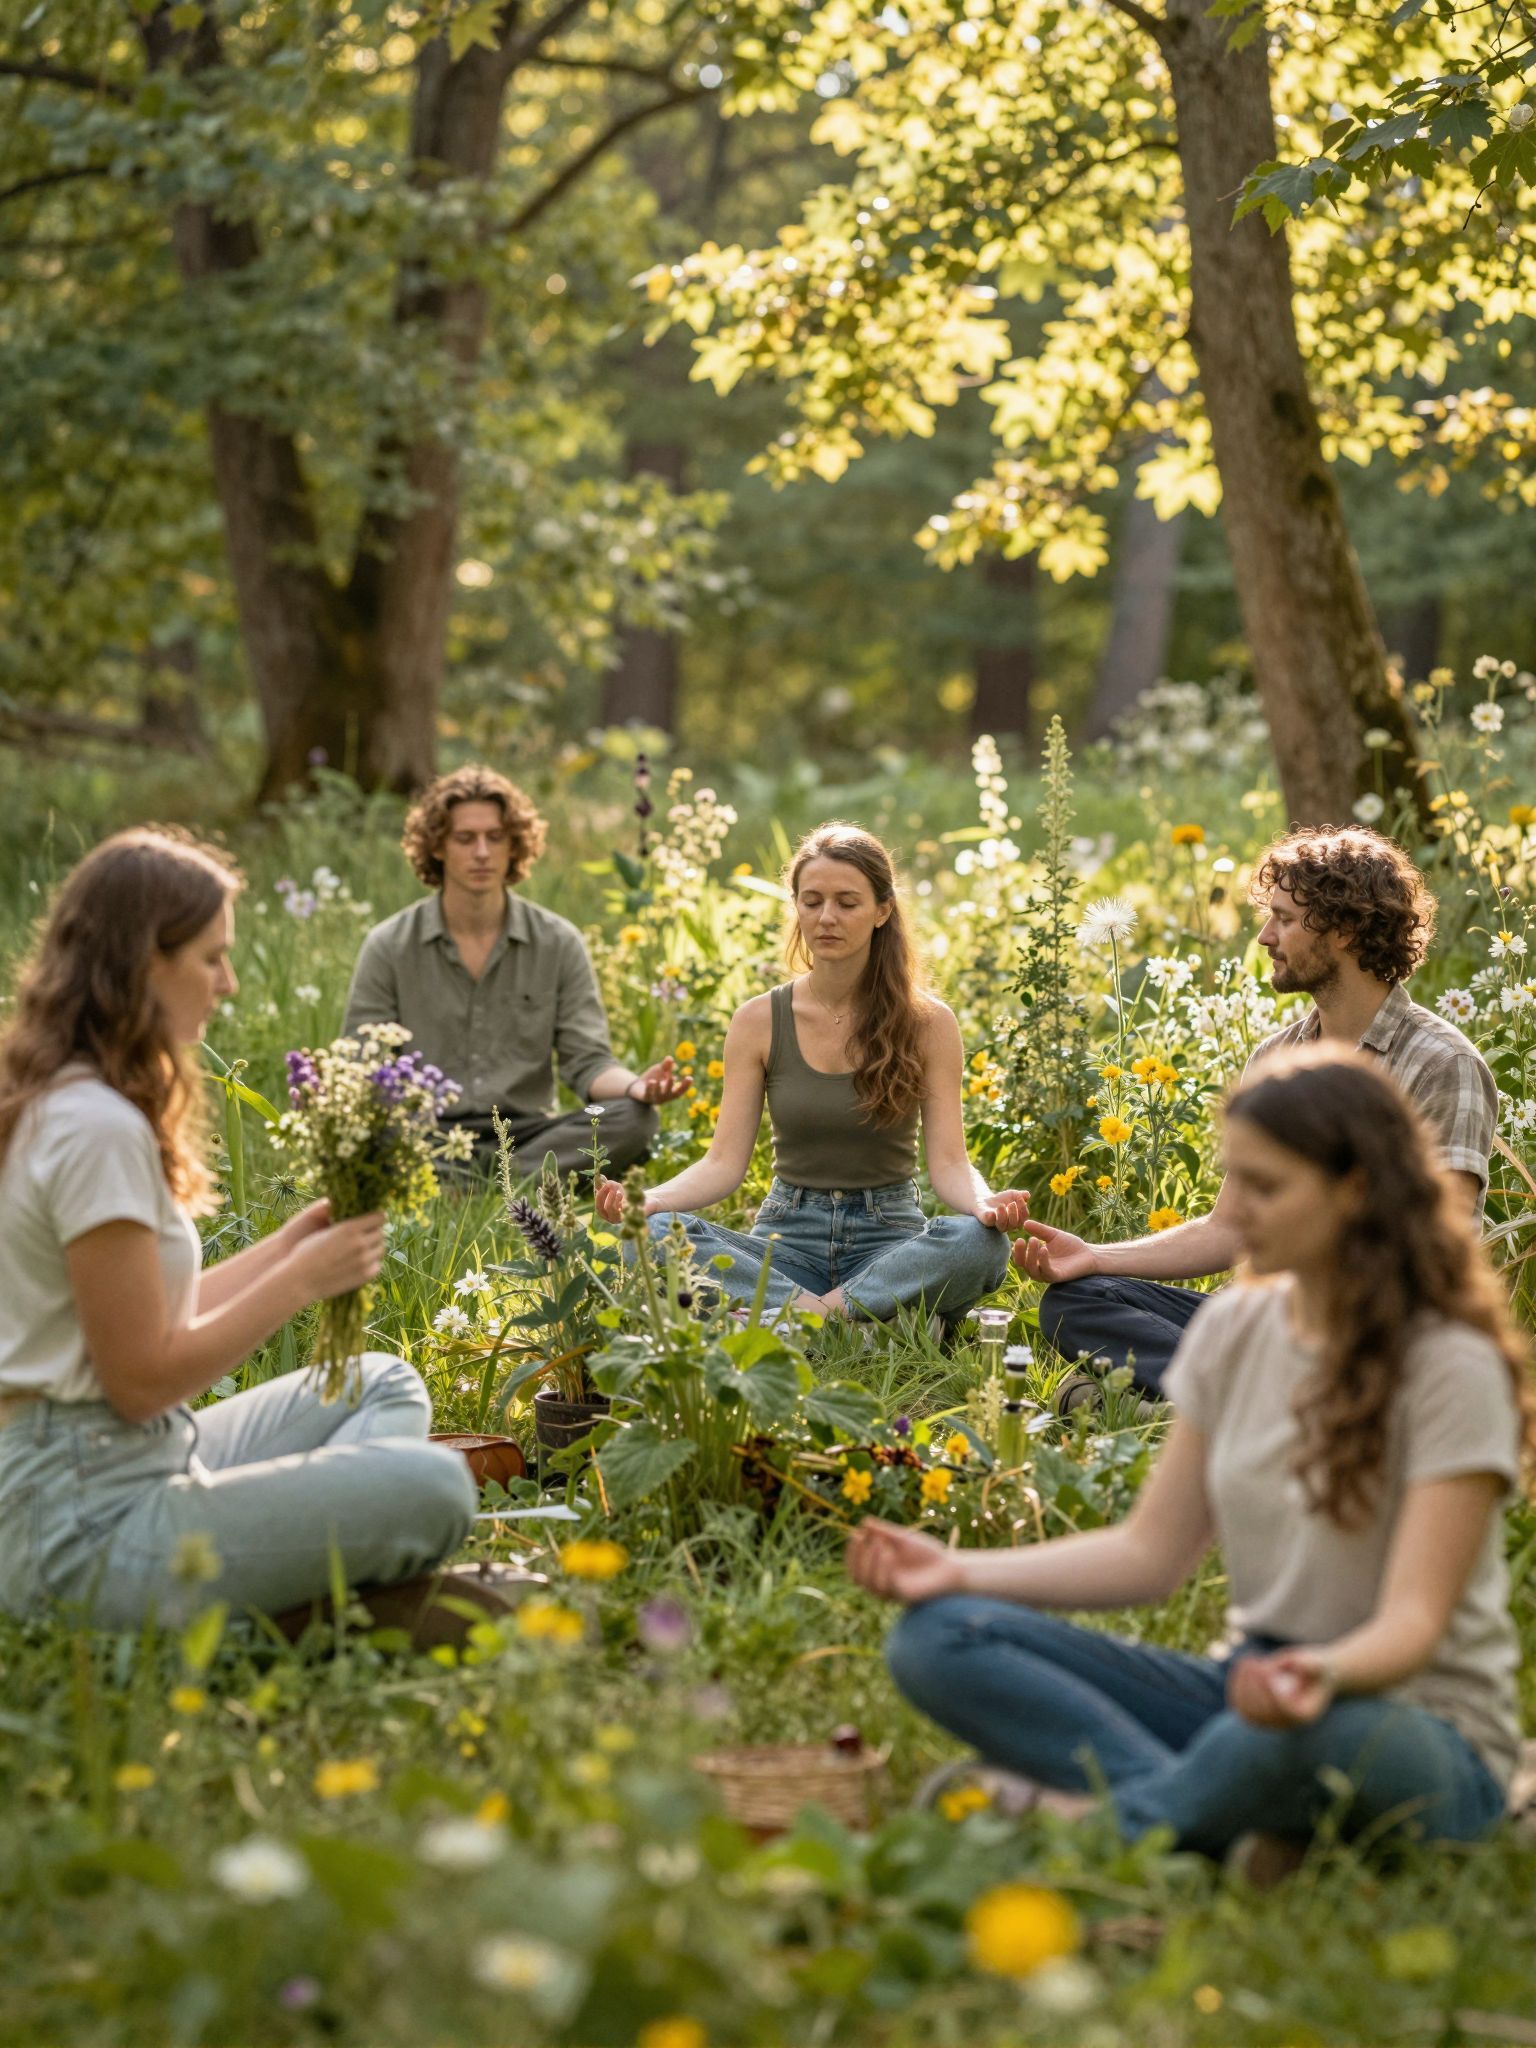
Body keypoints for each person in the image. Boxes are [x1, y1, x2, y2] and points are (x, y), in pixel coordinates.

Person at [851, 1047, 1530, 1866]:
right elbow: (1148, 1555)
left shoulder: (1449, 1363)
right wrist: (958, 1573)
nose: (1235, 1212)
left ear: (1355, 1192)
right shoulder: (1234, 1331)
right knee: (936, 1638)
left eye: (1267, 1186)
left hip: (1405, 1719)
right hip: (1252, 1690)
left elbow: (1414, 1625)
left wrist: (1316, 1674)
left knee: (1295, 1738)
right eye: (1233, 1179)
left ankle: (1101, 1824)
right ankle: (1224, 1820)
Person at [0, 828, 477, 1629]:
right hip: (77, 1519)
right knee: (438, 1489)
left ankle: (277, 1566)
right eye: (211, 958)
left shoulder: (72, 1100)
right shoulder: (95, 1128)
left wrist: (285, 1247)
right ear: (146, 962)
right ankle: (286, 1590)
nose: (228, 984)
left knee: (379, 1381)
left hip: (126, 1460)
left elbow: (146, 1315)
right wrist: (302, 1281)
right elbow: (141, 1379)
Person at [1015, 825, 1498, 1399]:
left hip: (1369, 1338)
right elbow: (1228, 1228)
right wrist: (1095, 1256)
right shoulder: (1278, 1057)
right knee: (1077, 1301)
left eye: (1286, 920)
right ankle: (1245, 1404)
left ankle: (1202, 1406)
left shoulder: (1442, 1063)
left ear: (1343, 929)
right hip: (1268, 1326)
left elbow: (1440, 1254)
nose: (1266, 936)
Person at [595, 822, 1029, 1327]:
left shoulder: (930, 1023)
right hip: (786, 1243)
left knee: (980, 1244)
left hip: (888, 1243)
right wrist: (647, 1201)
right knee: (642, 1235)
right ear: (796, 906)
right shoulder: (758, 1021)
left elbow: (951, 1164)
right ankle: (869, 1321)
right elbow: (722, 1164)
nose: (827, 918)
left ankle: (792, 1321)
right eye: (812, 901)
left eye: (847, 903)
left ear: (882, 911)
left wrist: (984, 1203)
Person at [343, 764, 687, 1178]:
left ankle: (485, 1186)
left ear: (515, 845)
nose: (483, 852)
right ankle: (505, 1188)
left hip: (528, 1134)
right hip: (424, 1135)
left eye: (496, 837)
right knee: (360, 1133)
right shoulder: (389, 945)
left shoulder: (558, 942)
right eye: (465, 839)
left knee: (635, 1118)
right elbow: (362, 1070)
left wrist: (636, 1087)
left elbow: (588, 1063)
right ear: (437, 846)